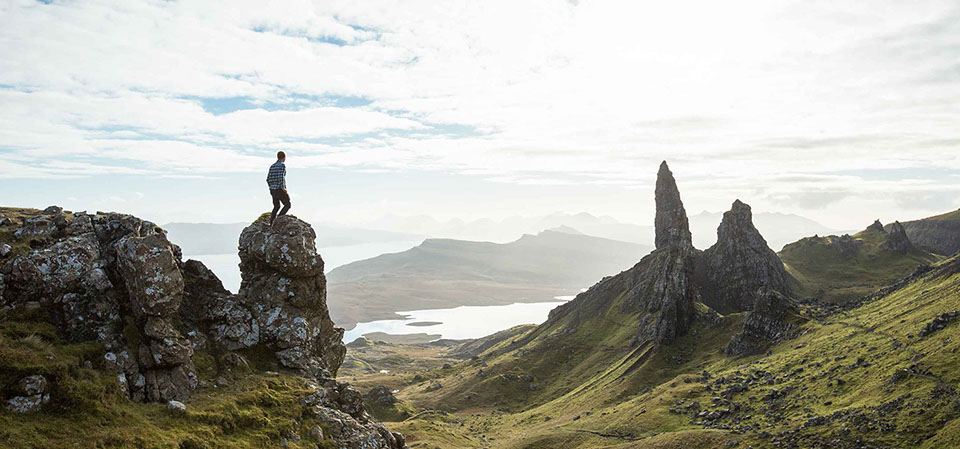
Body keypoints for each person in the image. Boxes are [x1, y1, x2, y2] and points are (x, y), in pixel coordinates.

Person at [266, 151, 290, 225]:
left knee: (276, 206)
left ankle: (271, 222)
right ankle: (278, 220)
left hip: (273, 190)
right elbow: (281, 178)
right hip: (279, 189)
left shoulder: (272, 166)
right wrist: (283, 189)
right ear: (284, 157)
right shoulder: (282, 165)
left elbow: (268, 179)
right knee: (287, 205)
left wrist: (271, 187)